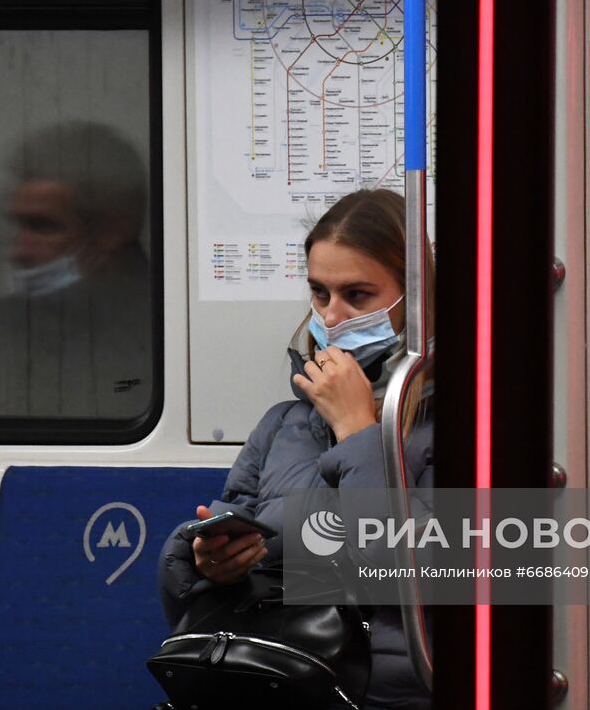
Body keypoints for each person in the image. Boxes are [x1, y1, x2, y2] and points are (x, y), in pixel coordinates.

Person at [156, 188, 435, 710]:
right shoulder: (284, 426)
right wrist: (207, 562)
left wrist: (357, 431)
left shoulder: (468, 427)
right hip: (281, 686)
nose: (331, 319)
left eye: (358, 296)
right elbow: (199, 608)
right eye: (319, 293)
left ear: (416, 300)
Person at [0, 121, 153, 421]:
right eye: (18, 226)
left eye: (42, 226)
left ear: (112, 230)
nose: (18, 251)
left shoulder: (165, 337)